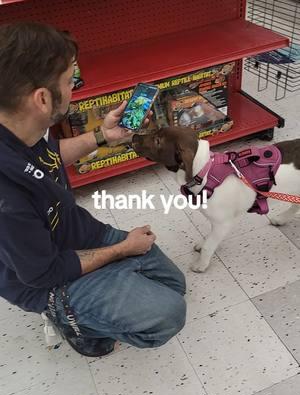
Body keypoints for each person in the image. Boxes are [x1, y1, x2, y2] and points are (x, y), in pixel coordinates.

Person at [0, 22, 186, 357]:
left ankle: (108, 281)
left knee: (174, 286)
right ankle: (73, 321)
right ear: (42, 98)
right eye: (71, 81)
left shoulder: (18, 123)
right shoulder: (7, 200)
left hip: (76, 233)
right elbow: (43, 272)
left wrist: (104, 137)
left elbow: (49, 157)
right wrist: (123, 249)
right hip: (45, 276)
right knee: (167, 316)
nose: (75, 87)